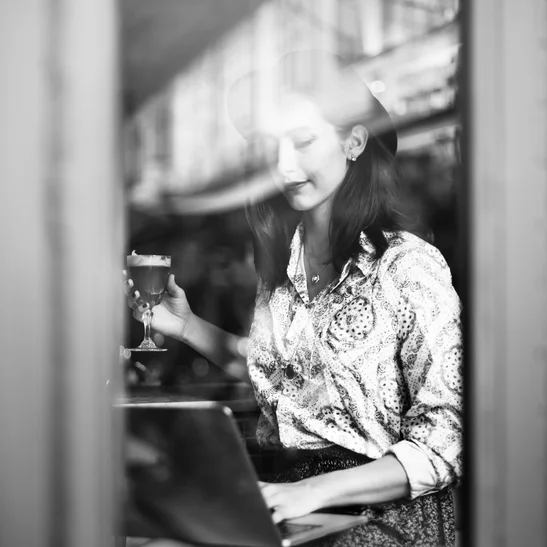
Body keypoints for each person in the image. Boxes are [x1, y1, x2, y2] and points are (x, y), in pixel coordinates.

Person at [125, 51, 463, 546]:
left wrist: (311, 491)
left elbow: (446, 442)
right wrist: (186, 326)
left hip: (385, 519)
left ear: (353, 141)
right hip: (291, 504)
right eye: (270, 148)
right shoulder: (283, 273)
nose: (283, 166)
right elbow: (272, 369)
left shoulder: (408, 266)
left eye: (303, 142)